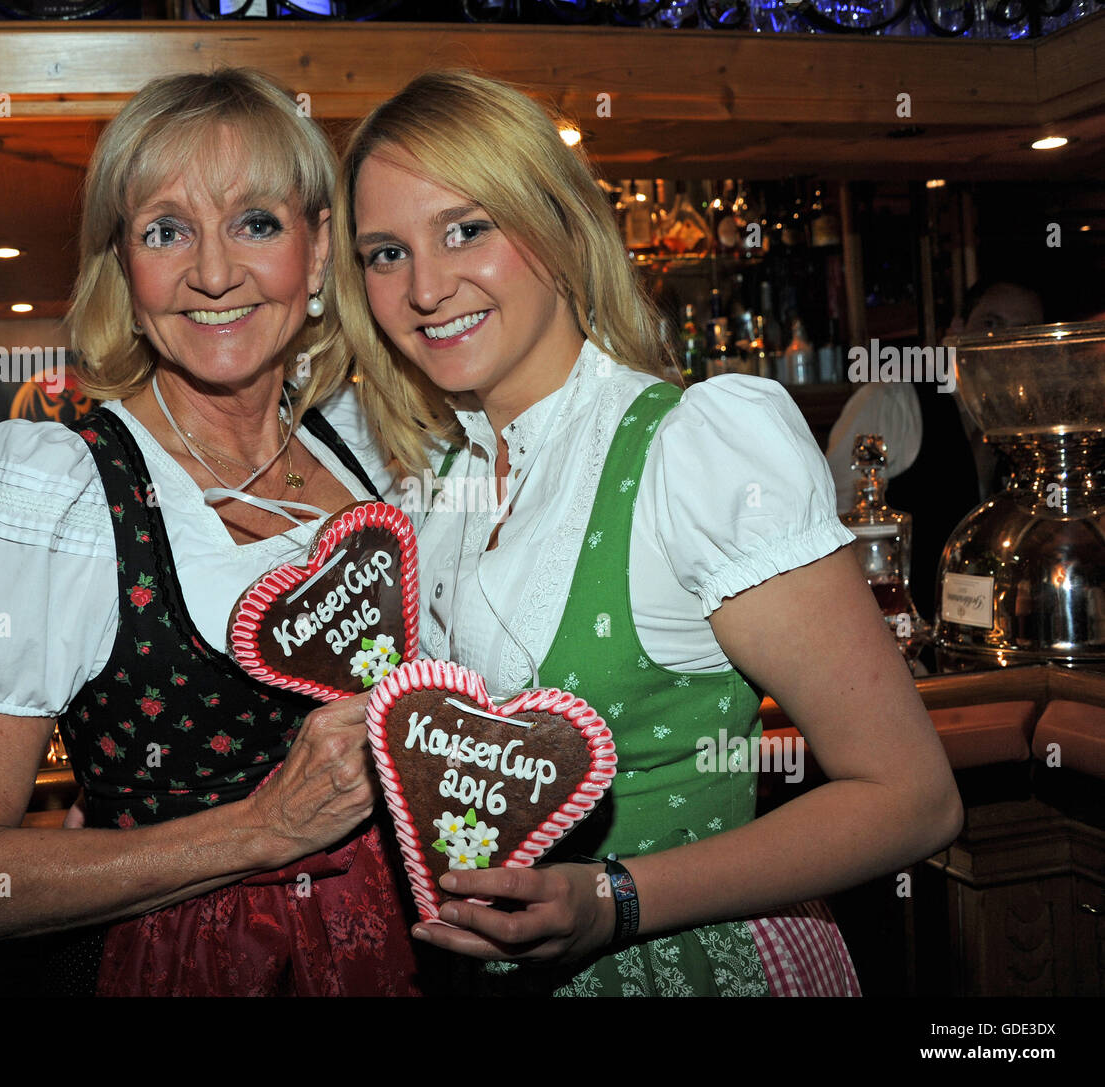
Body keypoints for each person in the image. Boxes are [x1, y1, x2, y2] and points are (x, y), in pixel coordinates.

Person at [331, 70, 963, 996]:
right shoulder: (441, 482)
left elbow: (912, 800)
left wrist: (614, 899)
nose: (426, 286)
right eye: (385, 253)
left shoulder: (694, 450)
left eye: (467, 228)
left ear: (556, 227)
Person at [0, 69, 420, 997]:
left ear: (319, 251)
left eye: (257, 222)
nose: (214, 273)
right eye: (166, 230)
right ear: (124, 269)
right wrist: (261, 830)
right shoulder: (58, 490)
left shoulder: (373, 448)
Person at [824, 278, 1045, 620]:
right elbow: (830, 522)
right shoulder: (893, 397)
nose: (1003, 342)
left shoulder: (1037, 424)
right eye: (991, 324)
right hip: (907, 638)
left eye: (1024, 331)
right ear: (956, 330)